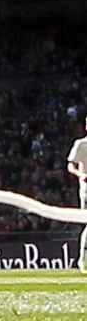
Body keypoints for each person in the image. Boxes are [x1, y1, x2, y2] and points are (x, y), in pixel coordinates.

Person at [68, 117, 87, 273]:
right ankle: (82, 259)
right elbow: (70, 165)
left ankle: (82, 259)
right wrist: (80, 174)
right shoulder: (81, 144)